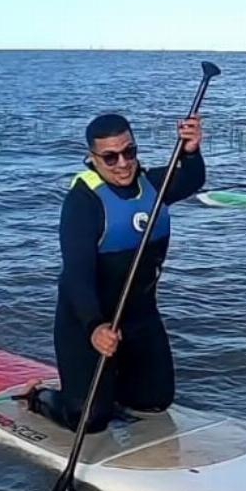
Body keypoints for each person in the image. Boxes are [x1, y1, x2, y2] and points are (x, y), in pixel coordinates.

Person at [21, 111, 205, 433]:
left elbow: (193, 179)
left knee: (155, 401)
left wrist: (191, 151)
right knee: (90, 420)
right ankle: (39, 396)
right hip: (87, 322)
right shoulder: (83, 203)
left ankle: (109, 382)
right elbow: (77, 276)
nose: (122, 163)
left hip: (139, 318)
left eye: (129, 152)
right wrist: (94, 327)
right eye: (110, 157)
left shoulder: (153, 186)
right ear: (92, 158)